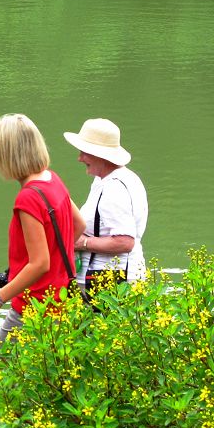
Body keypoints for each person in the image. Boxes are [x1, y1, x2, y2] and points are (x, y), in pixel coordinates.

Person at [0, 113, 85, 341]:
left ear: (10, 154)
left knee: (4, 368)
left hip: (34, 307)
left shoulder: (28, 197)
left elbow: (39, 263)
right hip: (62, 300)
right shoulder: (52, 179)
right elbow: (79, 224)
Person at [63, 118, 148, 298]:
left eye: (84, 152)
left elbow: (125, 241)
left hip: (113, 283)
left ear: (99, 154)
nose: (79, 158)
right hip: (105, 281)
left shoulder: (115, 187)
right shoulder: (109, 179)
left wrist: (82, 243)